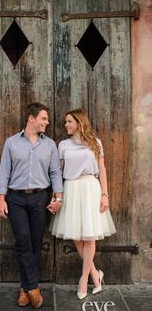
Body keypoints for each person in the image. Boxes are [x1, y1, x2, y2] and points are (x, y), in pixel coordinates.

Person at [0, 102, 63, 308]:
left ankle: (24, 288)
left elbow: (55, 173)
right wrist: (1, 198)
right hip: (15, 199)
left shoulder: (50, 144)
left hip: (40, 198)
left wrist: (58, 198)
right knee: (23, 240)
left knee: (34, 243)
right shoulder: (11, 143)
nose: (47, 122)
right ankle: (34, 287)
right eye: (44, 118)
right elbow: (4, 172)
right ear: (31, 118)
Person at [50, 109, 116, 300]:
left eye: (69, 121)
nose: (66, 125)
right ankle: (96, 274)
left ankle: (83, 279)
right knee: (77, 237)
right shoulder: (62, 145)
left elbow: (102, 170)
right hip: (71, 188)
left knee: (89, 237)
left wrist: (105, 195)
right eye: (65, 121)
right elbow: (57, 173)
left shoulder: (95, 143)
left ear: (79, 122)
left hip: (90, 188)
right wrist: (57, 195)